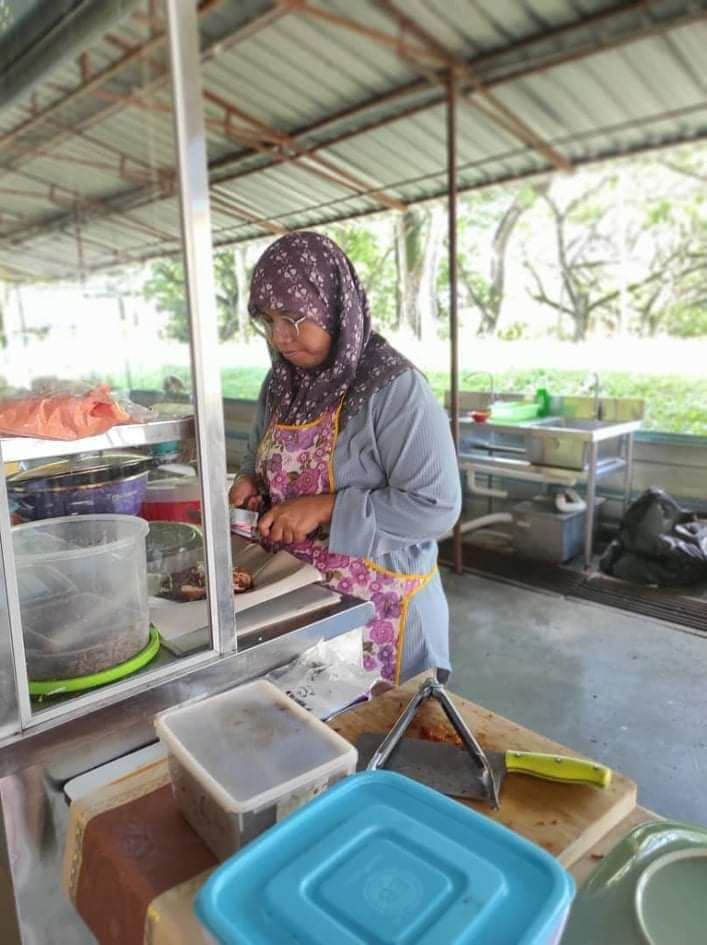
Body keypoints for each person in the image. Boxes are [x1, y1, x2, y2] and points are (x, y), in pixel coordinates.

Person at [229, 231, 461, 682]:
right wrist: (250, 481)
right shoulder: (280, 386)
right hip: (303, 607)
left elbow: (436, 508)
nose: (280, 337)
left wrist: (325, 508)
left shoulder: (393, 388)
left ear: (334, 306)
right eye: (269, 319)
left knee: (382, 737)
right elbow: (255, 452)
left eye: (294, 318)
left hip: (382, 614)